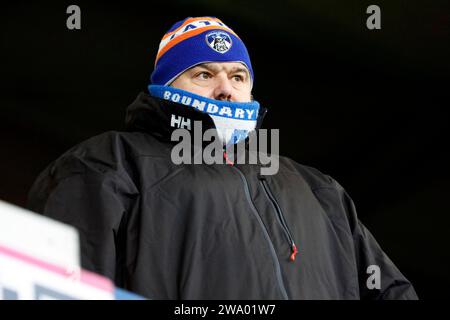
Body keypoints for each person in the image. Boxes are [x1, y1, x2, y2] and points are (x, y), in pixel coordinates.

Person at [27, 16, 418, 300]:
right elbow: (64, 284)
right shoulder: (110, 161)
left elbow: (391, 291)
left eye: (237, 76)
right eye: (202, 74)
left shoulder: (318, 189)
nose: (225, 89)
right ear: (165, 86)